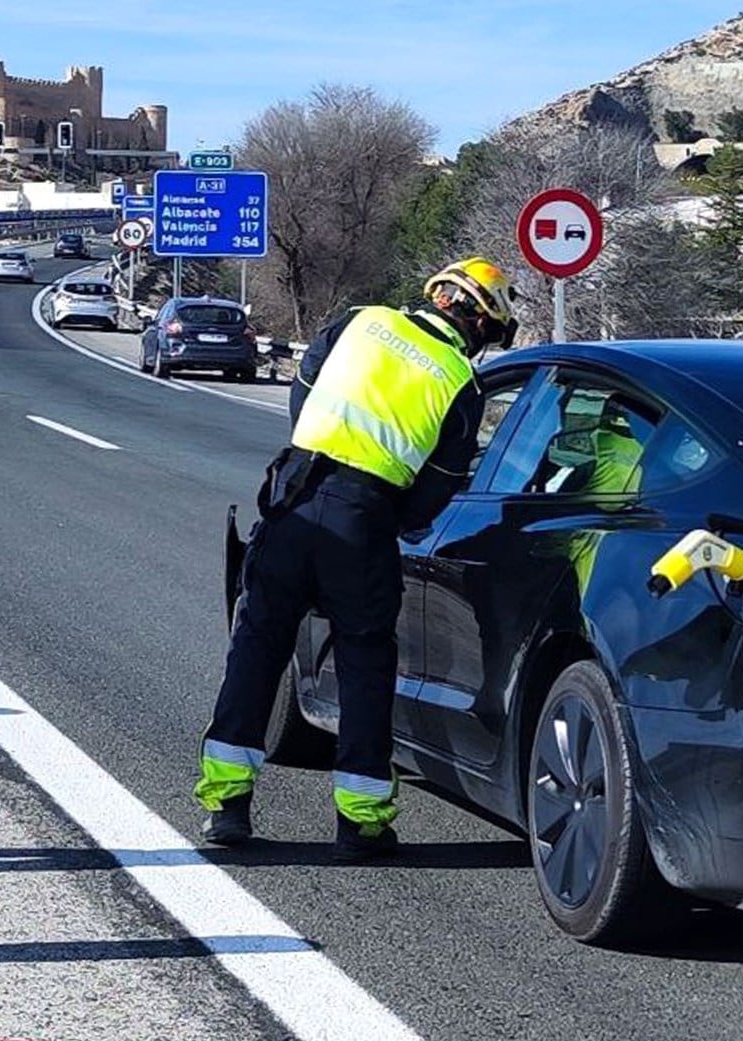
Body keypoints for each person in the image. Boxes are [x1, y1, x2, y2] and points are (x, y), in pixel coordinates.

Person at [196, 258, 516, 861]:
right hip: (365, 520)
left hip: (293, 498)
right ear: (479, 321)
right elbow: (439, 486)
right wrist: (381, 514)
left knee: (257, 652)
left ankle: (227, 808)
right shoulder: (460, 382)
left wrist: (318, 458)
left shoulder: (359, 322)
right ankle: (360, 824)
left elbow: (303, 396)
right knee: (366, 670)